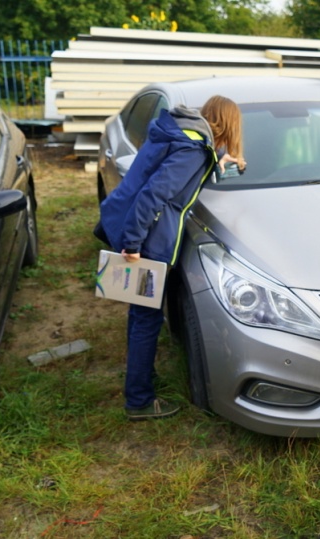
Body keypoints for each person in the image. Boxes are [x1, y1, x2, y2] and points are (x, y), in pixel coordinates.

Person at [97, 96, 243, 421]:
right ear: (230, 124)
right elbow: (155, 194)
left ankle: (141, 380)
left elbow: (176, 173)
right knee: (146, 319)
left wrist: (222, 160)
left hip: (140, 234)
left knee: (140, 316)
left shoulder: (183, 134)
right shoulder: (192, 150)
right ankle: (139, 400)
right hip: (149, 242)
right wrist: (133, 243)